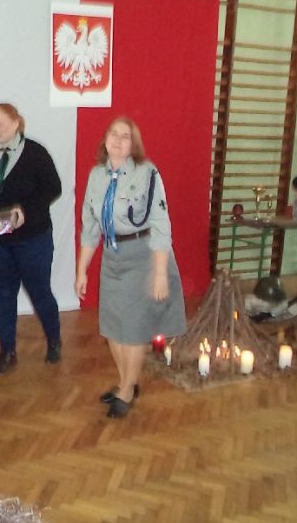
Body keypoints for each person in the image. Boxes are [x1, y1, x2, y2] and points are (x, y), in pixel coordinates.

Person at [75, 117, 186, 419]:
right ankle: (128, 380)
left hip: (143, 255)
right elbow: (90, 227)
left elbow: (161, 224)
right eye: (113, 134)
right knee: (113, 326)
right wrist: (82, 270)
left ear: (133, 144)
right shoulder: (96, 175)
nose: (118, 140)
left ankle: (125, 390)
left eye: (125, 136)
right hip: (113, 256)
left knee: (133, 329)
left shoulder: (147, 173)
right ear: (105, 139)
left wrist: (160, 273)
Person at [0, 103, 63, 375]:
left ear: (16, 122)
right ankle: (7, 351)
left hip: (33, 238)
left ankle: (54, 340)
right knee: (3, 294)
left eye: (1, 123)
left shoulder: (36, 153)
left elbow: (53, 188)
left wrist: (25, 210)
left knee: (40, 292)